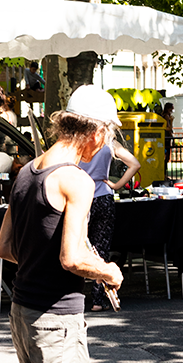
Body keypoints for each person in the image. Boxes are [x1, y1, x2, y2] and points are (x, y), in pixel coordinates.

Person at [0, 85, 126, 363]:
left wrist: (40, 257)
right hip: (57, 319)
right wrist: (108, 270)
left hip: (23, 314)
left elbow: (4, 247)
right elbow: (73, 256)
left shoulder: (27, 171)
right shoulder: (76, 180)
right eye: (108, 135)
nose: (107, 144)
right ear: (95, 132)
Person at [79, 132, 141, 311]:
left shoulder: (79, 141)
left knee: (75, 244)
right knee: (101, 248)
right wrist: (117, 185)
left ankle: (72, 294)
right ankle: (98, 299)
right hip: (104, 196)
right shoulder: (109, 142)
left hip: (82, 196)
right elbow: (134, 164)